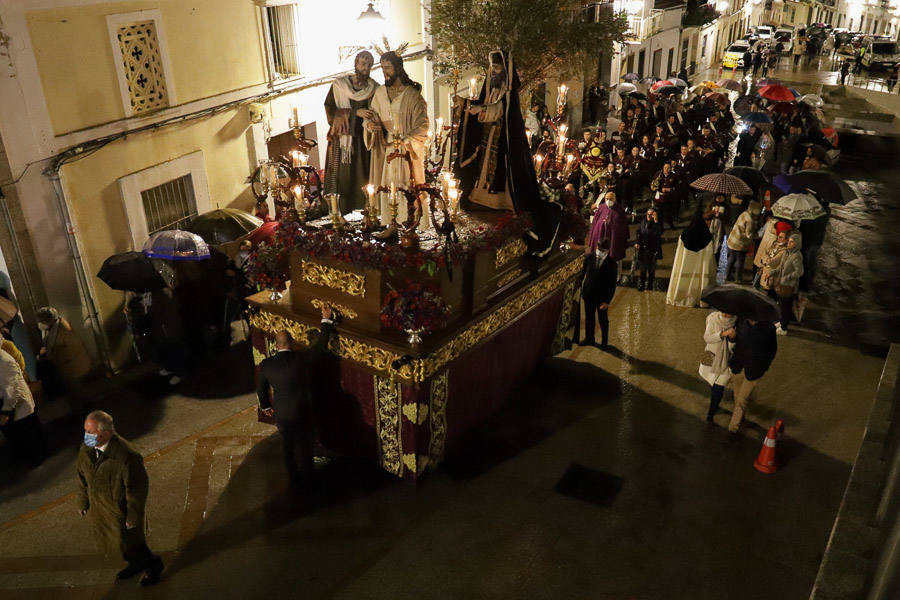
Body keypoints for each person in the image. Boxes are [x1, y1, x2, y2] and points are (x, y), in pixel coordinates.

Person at [456, 50, 561, 255]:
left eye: (497, 68)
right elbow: (483, 103)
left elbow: (499, 109)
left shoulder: (508, 90)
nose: (494, 71)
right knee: (485, 166)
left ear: (505, 69)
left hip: (503, 138)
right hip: (489, 135)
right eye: (492, 68)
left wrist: (481, 110)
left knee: (502, 170)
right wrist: (466, 104)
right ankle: (483, 198)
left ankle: (502, 200)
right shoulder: (492, 86)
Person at [76, 410, 163, 585]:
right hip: (102, 510)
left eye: (90, 432)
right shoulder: (86, 448)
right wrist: (83, 501)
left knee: (134, 545)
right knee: (120, 546)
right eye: (85, 430)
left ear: (106, 433)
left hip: (121, 512)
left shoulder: (127, 456)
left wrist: (133, 516)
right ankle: (135, 564)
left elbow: (137, 489)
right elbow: (81, 475)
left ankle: (153, 565)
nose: (86, 436)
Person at [257, 307, 336, 489]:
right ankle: (309, 479)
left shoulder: (267, 365)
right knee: (306, 445)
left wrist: (266, 406)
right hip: (303, 409)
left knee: (288, 447)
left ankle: (293, 479)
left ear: (276, 345)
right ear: (291, 342)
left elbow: (261, 389)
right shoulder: (301, 358)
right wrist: (326, 320)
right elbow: (320, 346)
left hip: (283, 412)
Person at [364, 50, 429, 226]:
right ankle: (392, 224)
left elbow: (423, 124)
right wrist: (370, 125)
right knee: (389, 186)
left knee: (407, 185)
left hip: (408, 150)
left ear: (398, 68)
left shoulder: (412, 95)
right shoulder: (380, 92)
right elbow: (372, 115)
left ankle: (410, 223)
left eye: (388, 68)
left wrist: (407, 140)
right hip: (388, 150)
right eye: (382, 68)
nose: (384, 72)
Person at [324, 50, 379, 213]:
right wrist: (355, 113)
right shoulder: (339, 86)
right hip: (342, 142)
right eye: (362, 64)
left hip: (363, 142)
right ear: (356, 64)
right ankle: (339, 212)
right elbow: (330, 113)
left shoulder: (374, 89)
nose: (365, 68)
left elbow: (376, 112)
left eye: (368, 65)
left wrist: (370, 121)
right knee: (342, 178)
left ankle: (366, 211)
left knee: (362, 177)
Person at [35, 306, 91, 409]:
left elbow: (74, 349)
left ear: (48, 320)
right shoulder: (51, 328)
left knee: (76, 392)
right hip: (67, 367)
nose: (40, 324)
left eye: (41, 321)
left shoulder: (64, 330)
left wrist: (52, 356)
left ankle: (83, 410)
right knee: (71, 392)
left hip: (74, 367)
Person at [727, 319, 778, 432]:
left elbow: (772, 351)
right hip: (738, 365)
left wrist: (763, 366)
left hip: (755, 370)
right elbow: (735, 341)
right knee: (737, 395)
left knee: (742, 400)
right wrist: (732, 337)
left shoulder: (768, 328)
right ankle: (740, 417)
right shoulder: (741, 321)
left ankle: (733, 428)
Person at [0, 349, 44, 466]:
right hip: (13, 406)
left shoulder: (3, 359)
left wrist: (6, 412)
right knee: (23, 437)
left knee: (28, 437)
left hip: (17, 407)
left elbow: (12, 388)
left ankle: (35, 459)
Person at [699, 311, 737, 423]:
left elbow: (732, 347)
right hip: (711, 357)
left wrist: (733, 338)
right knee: (711, 382)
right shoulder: (712, 318)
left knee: (718, 388)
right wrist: (722, 334)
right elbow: (707, 338)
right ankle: (714, 405)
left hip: (725, 361)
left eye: (728, 312)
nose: (725, 314)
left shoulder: (737, 323)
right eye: (723, 311)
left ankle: (711, 414)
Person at [580, 238, 617, 349]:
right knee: (589, 318)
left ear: (607, 250)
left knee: (603, 320)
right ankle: (589, 338)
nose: (599, 251)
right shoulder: (589, 258)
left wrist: (607, 301)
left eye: (602, 250)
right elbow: (582, 274)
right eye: (598, 248)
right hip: (589, 294)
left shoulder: (612, 264)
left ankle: (604, 342)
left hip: (602, 297)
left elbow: (612, 285)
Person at [772, 233, 804, 334]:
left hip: (788, 286)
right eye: (789, 241)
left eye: (791, 242)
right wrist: (773, 272)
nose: (789, 243)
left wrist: (787, 277)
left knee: (786, 307)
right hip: (781, 284)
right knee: (781, 305)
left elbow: (799, 272)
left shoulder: (797, 256)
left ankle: (784, 328)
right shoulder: (786, 253)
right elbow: (781, 267)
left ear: (796, 244)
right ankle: (781, 322)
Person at [586, 191, 629, 263]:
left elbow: (623, 225)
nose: (608, 201)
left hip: (613, 237)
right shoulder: (601, 207)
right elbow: (595, 222)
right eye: (607, 199)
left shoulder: (620, 209)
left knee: (612, 256)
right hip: (600, 235)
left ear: (615, 199)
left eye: (611, 199)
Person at [724, 201, 760, 284]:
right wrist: (755, 235)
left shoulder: (744, 213)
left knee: (732, 258)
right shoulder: (750, 220)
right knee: (740, 260)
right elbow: (748, 235)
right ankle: (738, 279)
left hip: (733, 239)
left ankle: (727, 276)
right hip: (740, 244)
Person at [635, 207, 664, 292]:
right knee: (642, 269)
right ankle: (642, 284)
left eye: (651, 214)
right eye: (648, 214)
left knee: (651, 269)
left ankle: (650, 284)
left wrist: (656, 221)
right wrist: (637, 242)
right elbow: (638, 232)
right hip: (643, 249)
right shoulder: (643, 221)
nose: (649, 216)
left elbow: (659, 232)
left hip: (652, 250)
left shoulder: (657, 223)